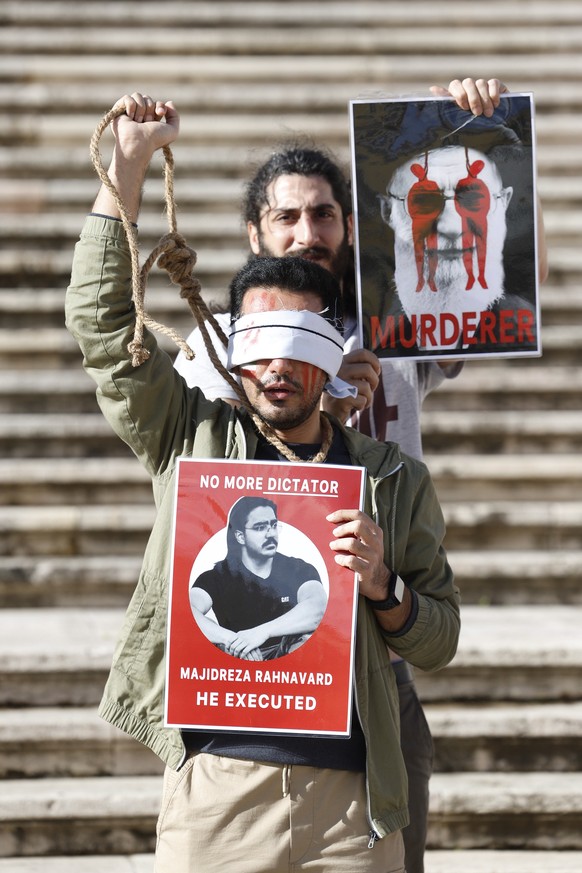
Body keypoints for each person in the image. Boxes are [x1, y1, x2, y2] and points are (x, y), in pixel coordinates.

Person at [65, 91, 460, 873]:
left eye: (300, 343)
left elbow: (439, 632)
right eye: (261, 342)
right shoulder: (195, 435)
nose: (278, 366)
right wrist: (128, 166)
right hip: (218, 786)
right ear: (234, 352)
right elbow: (105, 331)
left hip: (353, 792)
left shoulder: (389, 477)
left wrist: (383, 585)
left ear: (333, 353)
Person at [173, 77, 539, 873]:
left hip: (381, 661)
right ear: (253, 232)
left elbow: (505, 279)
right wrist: (319, 404)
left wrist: (474, 136)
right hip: (256, 683)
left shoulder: (398, 321)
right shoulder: (215, 349)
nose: (308, 232)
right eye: (287, 215)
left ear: (352, 227)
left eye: (325, 213)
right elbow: (206, 474)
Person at [190, 495, 327, 660]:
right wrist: (234, 641)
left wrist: (261, 633)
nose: (271, 534)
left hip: (290, 661)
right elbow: (186, 610)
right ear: (240, 536)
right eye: (260, 527)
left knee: (311, 637)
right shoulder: (217, 576)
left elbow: (318, 607)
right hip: (236, 658)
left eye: (273, 525)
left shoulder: (297, 568)